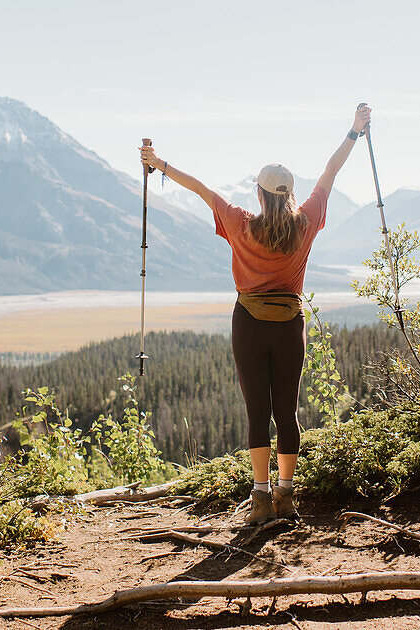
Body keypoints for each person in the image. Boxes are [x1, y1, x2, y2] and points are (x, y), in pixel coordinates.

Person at [139, 103, 371, 524]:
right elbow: (330, 172)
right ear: (291, 195)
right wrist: (354, 131)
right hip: (290, 326)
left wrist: (159, 164)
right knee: (287, 412)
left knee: (256, 413)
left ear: (260, 194)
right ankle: (286, 497)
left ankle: (260, 500)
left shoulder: (241, 223)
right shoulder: (307, 221)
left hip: (248, 324)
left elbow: (202, 190)